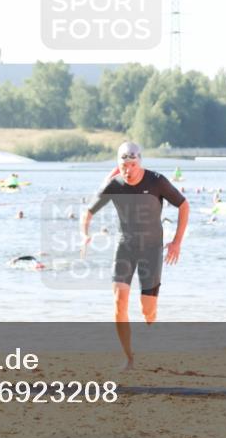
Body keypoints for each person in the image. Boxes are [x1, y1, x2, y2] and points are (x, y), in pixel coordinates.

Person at [81, 142, 190, 370]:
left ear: (140, 162)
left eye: (132, 164)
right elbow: (89, 213)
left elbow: (183, 205)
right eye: (124, 165)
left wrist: (176, 242)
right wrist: (85, 235)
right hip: (125, 248)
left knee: (147, 311)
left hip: (151, 250)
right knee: (119, 302)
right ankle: (129, 357)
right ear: (118, 164)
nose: (128, 170)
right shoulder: (115, 185)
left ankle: (152, 333)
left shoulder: (156, 181)